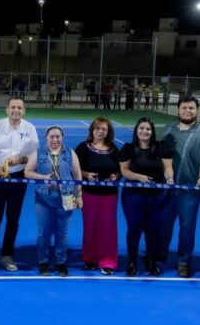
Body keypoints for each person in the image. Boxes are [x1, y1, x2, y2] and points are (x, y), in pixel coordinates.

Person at [160, 96, 200, 278]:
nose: (188, 111)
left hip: (189, 191)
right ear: (178, 109)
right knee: (163, 223)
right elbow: (163, 153)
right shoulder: (168, 129)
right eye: (184, 107)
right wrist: (167, 171)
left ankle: (183, 261)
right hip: (167, 188)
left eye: (191, 108)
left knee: (187, 227)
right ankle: (160, 253)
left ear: (197, 110)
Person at [0, 97, 39, 276]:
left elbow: (33, 155)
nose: (16, 110)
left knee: (13, 218)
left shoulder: (30, 128)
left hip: (18, 178)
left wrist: (19, 160)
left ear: (24, 111)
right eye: (13, 107)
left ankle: (7, 254)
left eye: (19, 108)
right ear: (7, 109)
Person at [25, 126, 83, 277]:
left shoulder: (71, 153)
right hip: (43, 198)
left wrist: (79, 196)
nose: (55, 140)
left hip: (67, 197)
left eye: (58, 137)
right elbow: (27, 172)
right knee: (44, 232)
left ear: (62, 137)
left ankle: (61, 262)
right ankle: (43, 262)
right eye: (52, 137)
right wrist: (43, 178)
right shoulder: (38, 153)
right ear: (46, 138)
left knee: (62, 233)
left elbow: (77, 175)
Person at [119, 118, 173, 276]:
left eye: (148, 129)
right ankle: (132, 262)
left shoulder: (161, 147)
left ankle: (151, 261)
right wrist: (139, 177)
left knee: (154, 230)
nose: (145, 131)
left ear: (152, 131)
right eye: (141, 128)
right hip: (133, 198)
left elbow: (168, 167)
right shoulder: (129, 148)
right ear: (137, 130)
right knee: (134, 230)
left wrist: (169, 178)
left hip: (158, 198)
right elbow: (124, 171)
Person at [75, 117, 121, 274]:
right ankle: (89, 258)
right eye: (97, 128)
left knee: (107, 228)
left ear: (108, 132)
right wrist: (86, 174)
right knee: (90, 227)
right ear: (92, 130)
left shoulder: (114, 149)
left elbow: (120, 169)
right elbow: (74, 170)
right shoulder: (82, 148)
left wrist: (116, 176)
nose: (100, 131)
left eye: (104, 129)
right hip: (89, 194)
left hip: (110, 195)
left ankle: (107, 260)